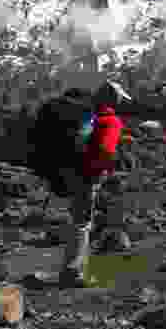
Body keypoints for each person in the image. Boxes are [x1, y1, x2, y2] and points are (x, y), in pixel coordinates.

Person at [58, 83, 128, 287]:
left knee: (77, 220)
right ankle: (73, 272)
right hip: (89, 175)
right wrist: (105, 167)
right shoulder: (111, 121)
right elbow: (105, 150)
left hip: (73, 173)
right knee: (83, 223)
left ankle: (72, 268)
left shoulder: (89, 116)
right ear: (114, 100)